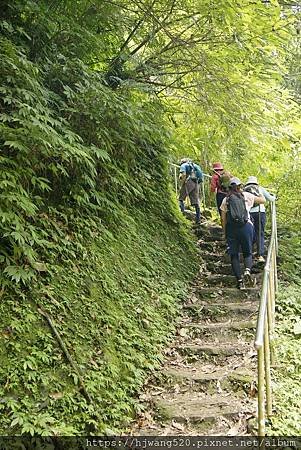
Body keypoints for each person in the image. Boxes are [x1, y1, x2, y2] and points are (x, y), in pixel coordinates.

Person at [220, 177, 266, 289]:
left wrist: (225, 233)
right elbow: (263, 200)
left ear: (229, 188)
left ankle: (240, 281)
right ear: (241, 186)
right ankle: (247, 270)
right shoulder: (247, 196)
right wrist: (258, 190)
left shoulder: (226, 200)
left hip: (232, 229)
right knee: (247, 252)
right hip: (246, 227)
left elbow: (223, 219)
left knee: (234, 255)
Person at [244, 176, 276, 262]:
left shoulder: (244, 190)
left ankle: (249, 253)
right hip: (260, 213)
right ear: (256, 182)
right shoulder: (260, 189)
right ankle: (260, 254)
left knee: (250, 233)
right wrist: (274, 196)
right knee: (260, 233)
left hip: (248, 213)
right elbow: (270, 199)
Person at [178, 158, 203, 225]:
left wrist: (182, 184)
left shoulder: (183, 165)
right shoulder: (196, 166)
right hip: (196, 183)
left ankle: (181, 216)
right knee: (196, 202)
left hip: (189, 181)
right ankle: (198, 219)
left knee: (181, 198)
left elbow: (183, 174)